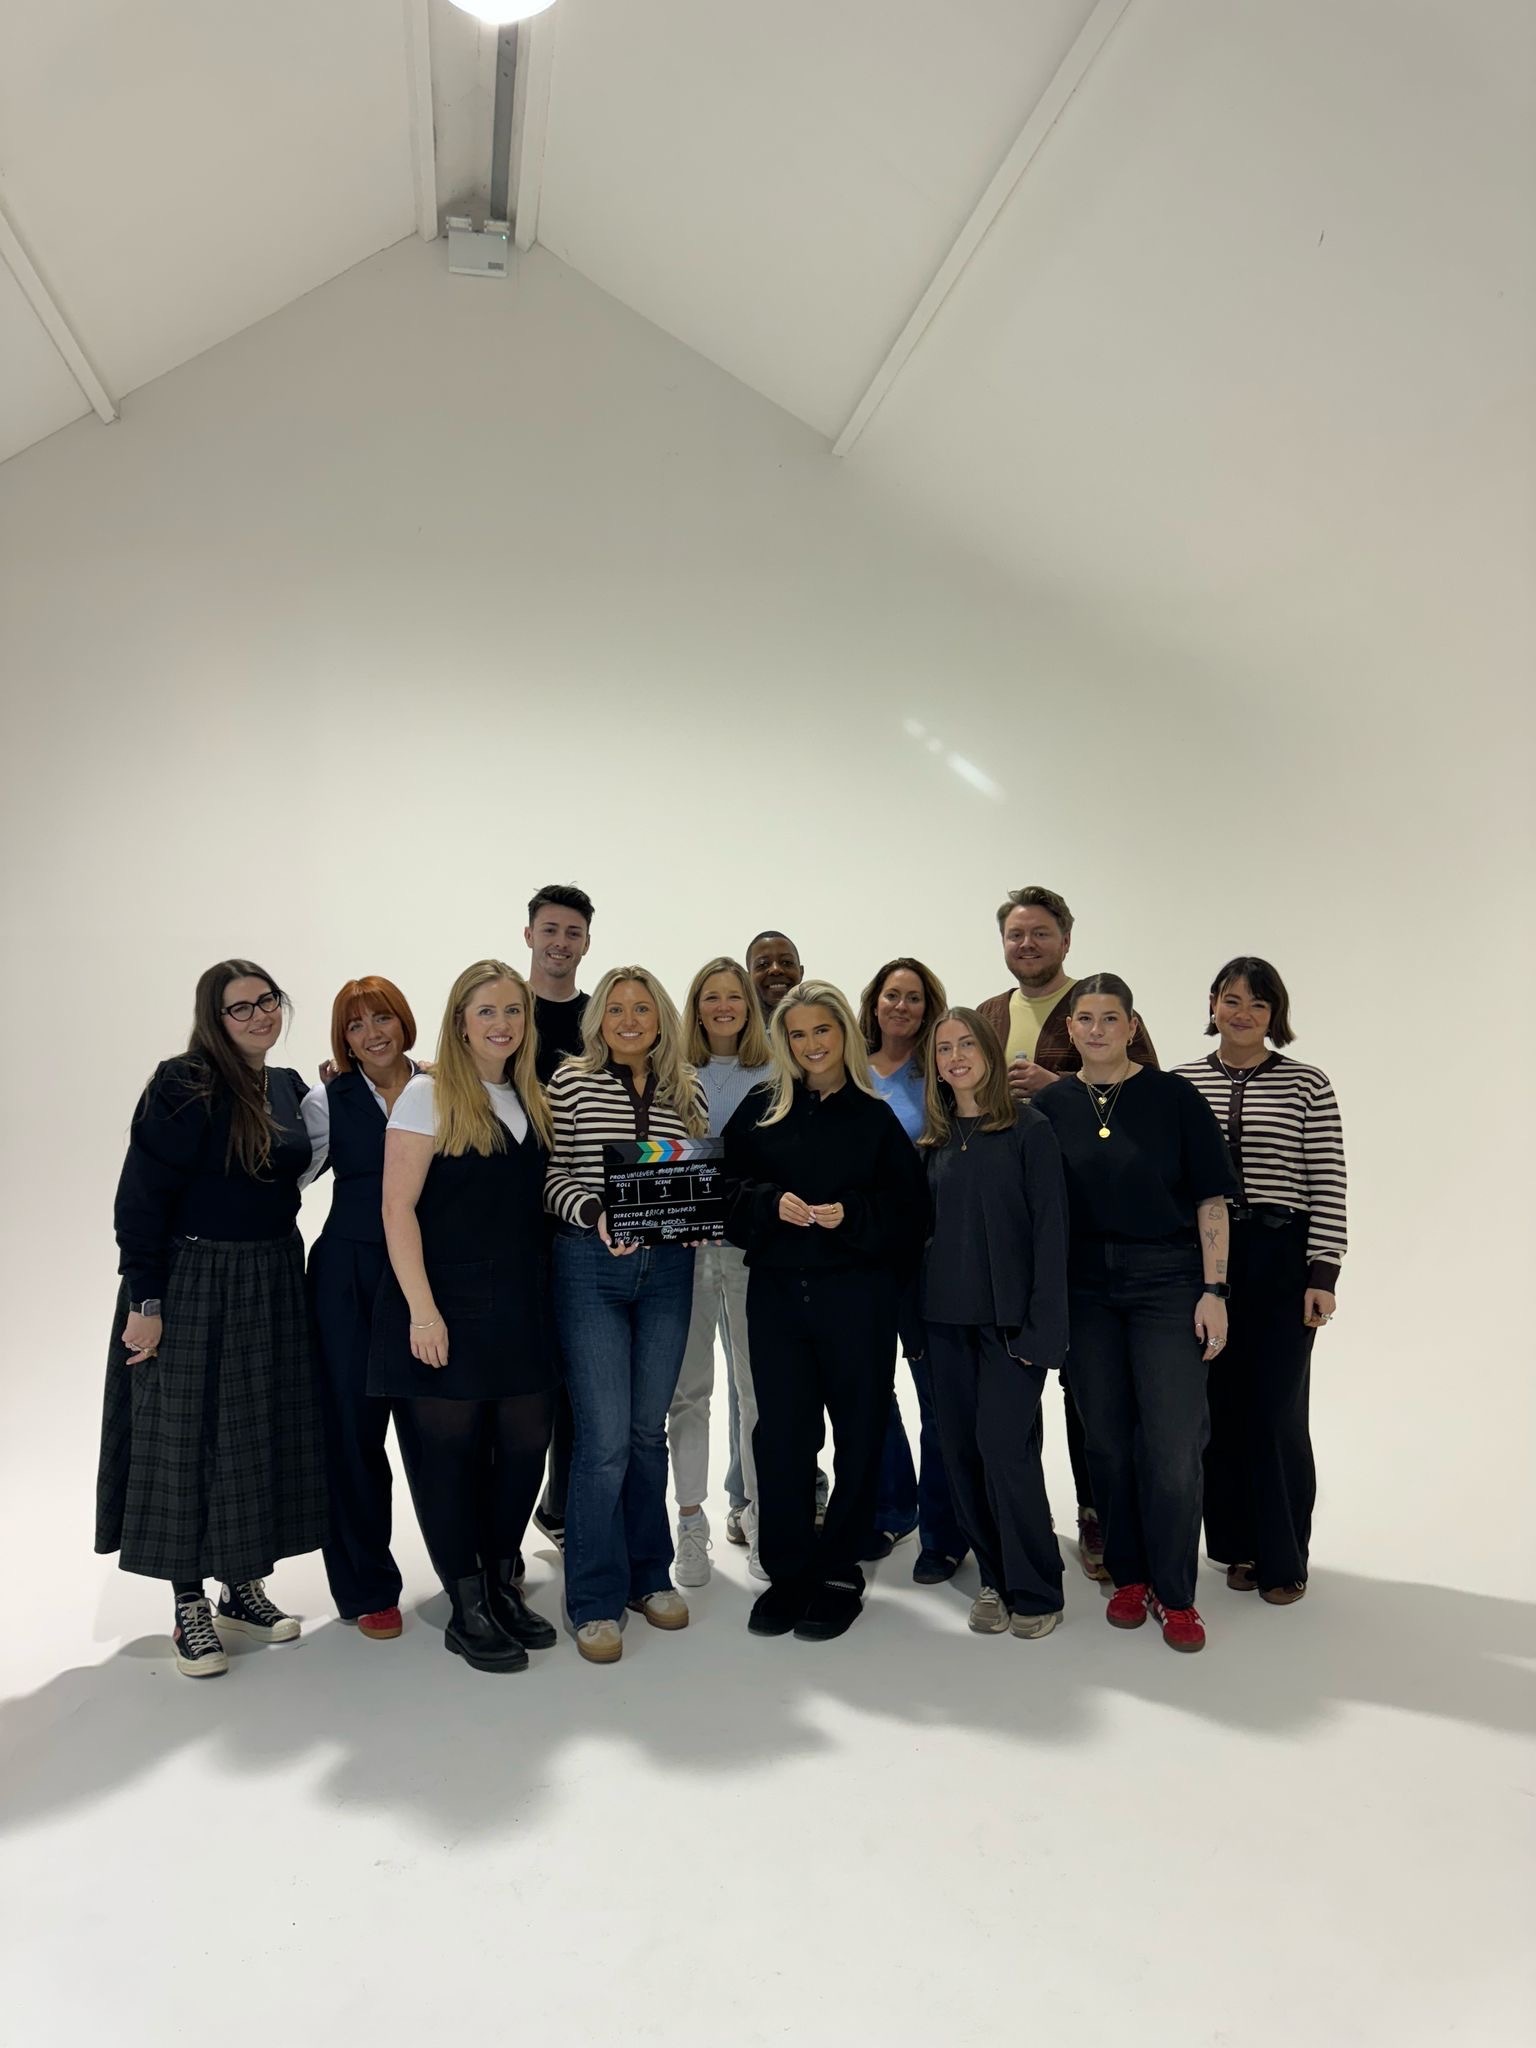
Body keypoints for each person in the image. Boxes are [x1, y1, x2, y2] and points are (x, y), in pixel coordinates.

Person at [96, 960, 326, 1679]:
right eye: (240, 1008)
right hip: (193, 1277)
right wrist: (145, 1302)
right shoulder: (184, 1083)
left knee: (254, 1431)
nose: (260, 1015)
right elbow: (140, 1198)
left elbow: (310, 1162)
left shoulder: (289, 1087)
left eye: (267, 1001)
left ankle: (241, 1588)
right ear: (213, 1018)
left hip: (272, 1274)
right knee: (186, 1435)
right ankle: (188, 1602)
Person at [1034, 975, 1237, 1654]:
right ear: (1070, 1028)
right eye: (1085, 1018)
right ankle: (1129, 1575)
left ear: (1132, 1025)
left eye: (1110, 1018)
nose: (1096, 1029)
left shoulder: (1174, 1097)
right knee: (1107, 1441)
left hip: (1168, 1281)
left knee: (1174, 1444)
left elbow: (1211, 1199)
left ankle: (1175, 1592)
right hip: (1084, 1288)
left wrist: (1215, 1290)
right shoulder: (1051, 1106)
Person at [722, 980, 928, 1643]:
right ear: (783, 1041)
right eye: (797, 1034)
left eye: (822, 1030)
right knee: (782, 1436)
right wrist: (766, 1203)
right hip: (778, 1297)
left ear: (844, 1033)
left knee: (860, 1432)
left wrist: (853, 1214)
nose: (811, 1045)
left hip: (856, 1299)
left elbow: (912, 1214)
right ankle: (787, 1571)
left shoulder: (874, 1118)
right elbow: (722, 1190)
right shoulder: (760, 1109)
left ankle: (840, 1570)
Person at [372, 960, 559, 1674]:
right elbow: (397, 1210)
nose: (502, 1024)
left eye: (513, 1010)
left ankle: (502, 1582)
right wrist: (422, 1312)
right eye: (486, 1011)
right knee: (448, 1463)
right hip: (445, 1307)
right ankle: (467, 1604)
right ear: (459, 1021)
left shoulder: (528, 1095)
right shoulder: (427, 1095)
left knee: (524, 1451)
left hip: (521, 1305)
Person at [977, 886, 1162, 1583]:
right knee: (1012, 1370)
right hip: (1008, 1220)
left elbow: (1148, 1102)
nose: (1027, 944)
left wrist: (1056, 1083)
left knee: (1088, 1384)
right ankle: (1018, 1515)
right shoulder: (990, 1014)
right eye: (1016, 934)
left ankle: (1098, 1512)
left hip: (1087, 1220)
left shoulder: (1098, 1007)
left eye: (1040, 933)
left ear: (1066, 940)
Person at [544, 965, 707, 1664]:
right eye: (617, 1008)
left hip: (668, 1271)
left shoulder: (685, 1087)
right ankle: (593, 1598)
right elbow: (550, 1175)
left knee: (646, 1432)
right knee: (604, 1439)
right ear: (599, 1020)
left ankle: (649, 1576)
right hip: (590, 1266)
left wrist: (697, 1215)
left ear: (660, 1017)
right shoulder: (571, 1082)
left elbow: (696, 1173)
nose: (630, 1019)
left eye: (643, 1008)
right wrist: (595, 1211)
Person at [1176, 958, 1347, 1605]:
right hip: (1204, 1264)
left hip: (1280, 1260)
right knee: (1216, 1408)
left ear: (1275, 1014)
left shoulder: (1307, 1084)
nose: (1242, 1014)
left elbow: (1328, 1179)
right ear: (1212, 1004)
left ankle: (1283, 1556)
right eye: (1231, 999)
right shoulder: (1182, 1083)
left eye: (1258, 1003)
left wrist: (1323, 1271)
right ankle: (1236, 1547)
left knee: (1276, 1411)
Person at [920, 1009, 1070, 1637]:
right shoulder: (932, 1140)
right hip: (942, 1323)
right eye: (943, 1048)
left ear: (988, 1050)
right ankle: (991, 1576)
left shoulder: (1030, 1130)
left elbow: (1051, 1235)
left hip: (1011, 1328)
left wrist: (1044, 1331)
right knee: (959, 1452)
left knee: (1005, 1449)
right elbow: (918, 1240)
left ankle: (1036, 1587)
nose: (955, 1057)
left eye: (966, 1044)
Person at [301, 976, 421, 1641]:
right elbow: (283, 1180)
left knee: (444, 1433)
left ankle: (476, 1570)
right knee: (352, 1436)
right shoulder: (327, 1101)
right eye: (356, 1025)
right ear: (342, 1040)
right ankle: (367, 1587)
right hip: (348, 1279)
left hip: (428, 1277)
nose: (373, 1033)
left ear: (404, 1021)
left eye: (383, 1018)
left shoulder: (442, 1087)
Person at [858, 957, 970, 1583]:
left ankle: (944, 1533)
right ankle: (892, 1505)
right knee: (869, 1392)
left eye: (914, 997)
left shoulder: (940, 1075)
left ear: (929, 1009)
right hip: (862, 1258)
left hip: (930, 1256)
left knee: (937, 1399)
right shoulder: (849, 1067)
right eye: (891, 995)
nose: (901, 1006)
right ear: (873, 1002)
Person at [666, 958, 773, 1586]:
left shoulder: (774, 1072)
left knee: (755, 1391)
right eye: (711, 996)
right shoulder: (673, 1072)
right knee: (689, 1392)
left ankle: (757, 1518)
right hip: (686, 1250)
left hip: (749, 1250)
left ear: (749, 1005)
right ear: (696, 1006)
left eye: (734, 996)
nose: (724, 1006)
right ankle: (690, 1526)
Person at [524, 882, 595, 1556]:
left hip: (581, 1216)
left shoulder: (600, 1018)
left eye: (572, 932)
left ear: (587, 943)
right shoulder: (501, 1011)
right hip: (510, 1214)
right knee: (524, 1375)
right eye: (550, 930)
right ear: (529, 936)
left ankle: (564, 1503)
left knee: (579, 1371)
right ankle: (503, 1532)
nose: (560, 943)